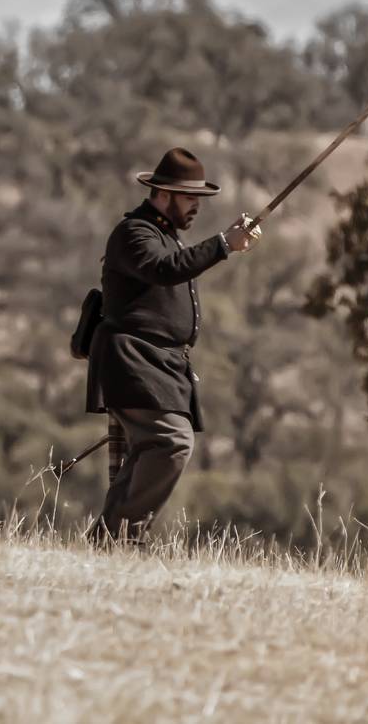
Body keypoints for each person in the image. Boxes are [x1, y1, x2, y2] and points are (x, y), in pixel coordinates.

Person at [87, 147, 261, 543]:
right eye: (189, 197)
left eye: (199, 198)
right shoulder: (135, 234)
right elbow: (165, 271)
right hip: (132, 359)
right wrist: (223, 245)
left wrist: (226, 243)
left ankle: (113, 540)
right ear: (162, 193)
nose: (197, 205)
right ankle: (120, 537)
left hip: (158, 362)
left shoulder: (165, 236)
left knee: (152, 448)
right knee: (172, 441)